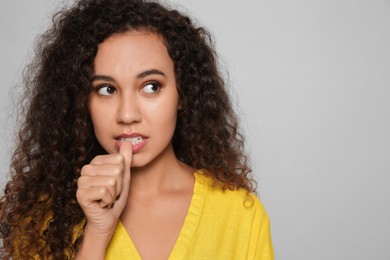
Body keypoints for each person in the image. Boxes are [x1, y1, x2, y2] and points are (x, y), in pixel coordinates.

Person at [0, 0, 274, 259]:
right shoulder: (42, 220)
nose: (127, 115)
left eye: (151, 86)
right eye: (106, 89)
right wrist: (96, 233)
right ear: (81, 102)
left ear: (184, 94)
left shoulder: (239, 214)